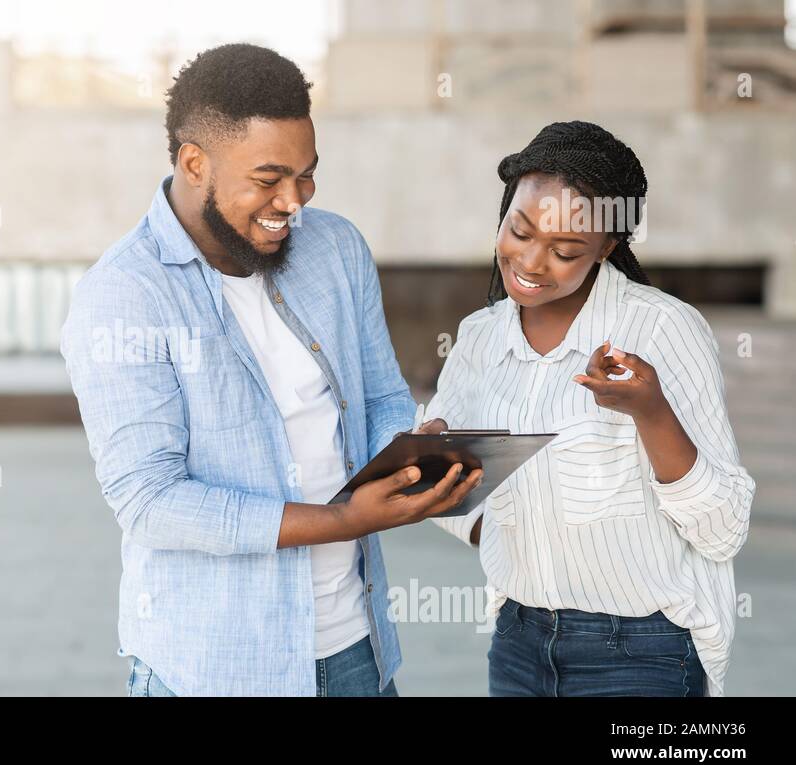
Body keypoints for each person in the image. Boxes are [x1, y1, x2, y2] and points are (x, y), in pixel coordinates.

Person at [60, 44, 480, 697]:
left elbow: (380, 399)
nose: (293, 201)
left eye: (307, 175)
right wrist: (346, 519)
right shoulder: (124, 295)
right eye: (268, 178)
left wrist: (411, 460)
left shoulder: (336, 249)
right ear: (194, 162)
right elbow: (151, 502)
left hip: (355, 654)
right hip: (215, 669)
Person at [422, 120, 754, 696]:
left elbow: (724, 530)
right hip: (518, 643)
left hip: (641, 654)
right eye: (519, 230)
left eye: (566, 250)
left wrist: (652, 413)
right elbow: (460, 506)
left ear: (608, 246)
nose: (531, 261)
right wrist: (441, 470)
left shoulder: (661, 328)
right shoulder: (479, 336)